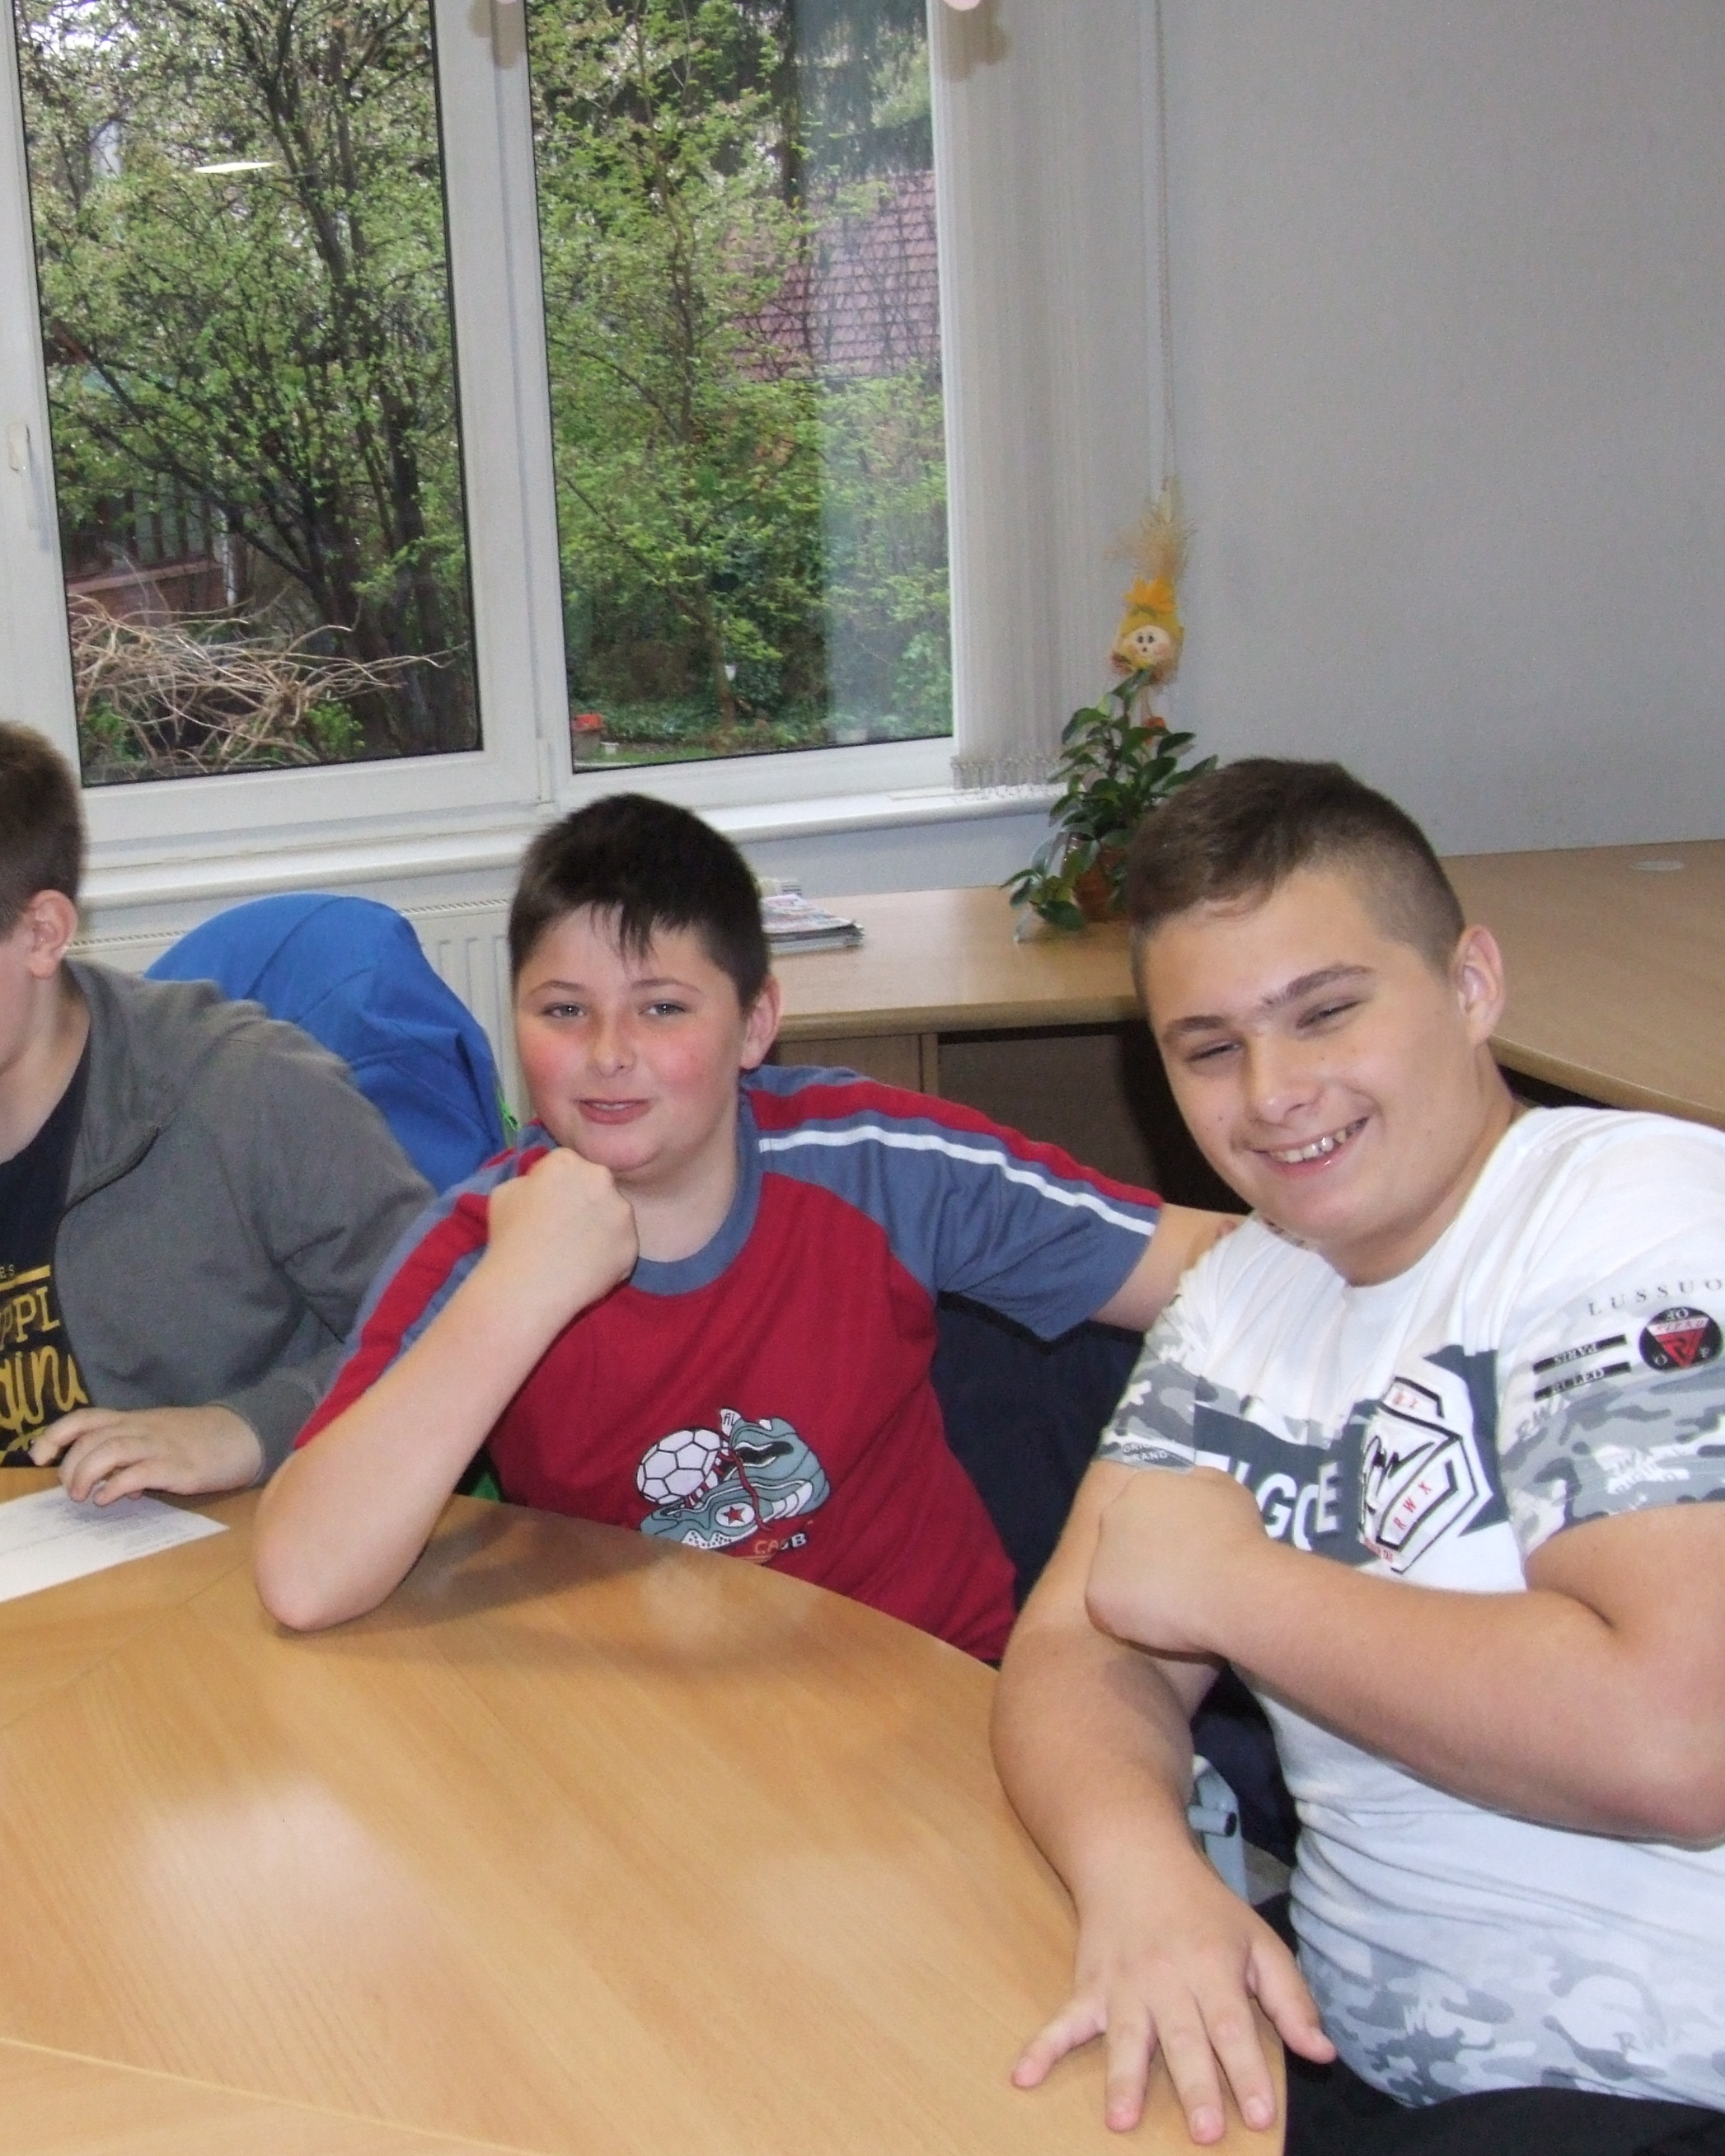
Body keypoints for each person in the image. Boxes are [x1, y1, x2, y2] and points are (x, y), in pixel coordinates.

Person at [992, 759, 1725, 2153]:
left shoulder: (1632, 1220)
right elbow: (1076, 1651)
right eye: (1209, 1048)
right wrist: (1140, 1875)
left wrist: (1235, 1586)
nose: (1273, 1093)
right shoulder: (1242, 1291)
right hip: (1356, 2058)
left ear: (1471, 984)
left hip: (1656, 2093)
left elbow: (1675, 1737)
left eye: (1325, 1011)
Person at [255, 794, 1228, 1653]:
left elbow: (1219, 1269)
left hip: (927, 1687)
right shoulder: (481, 1242)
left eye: (661, 1008)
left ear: (754, 1023)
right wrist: (517, 1294)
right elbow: (304, 1577)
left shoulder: (877, 1162)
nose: (607, 1053)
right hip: (663, 1721)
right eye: (561, 1011)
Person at [0, 711, 435, 1503]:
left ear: (42, 933)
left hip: (231, 1552)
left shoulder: (251, 1092)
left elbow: (449, 1325)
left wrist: (246, 1429)